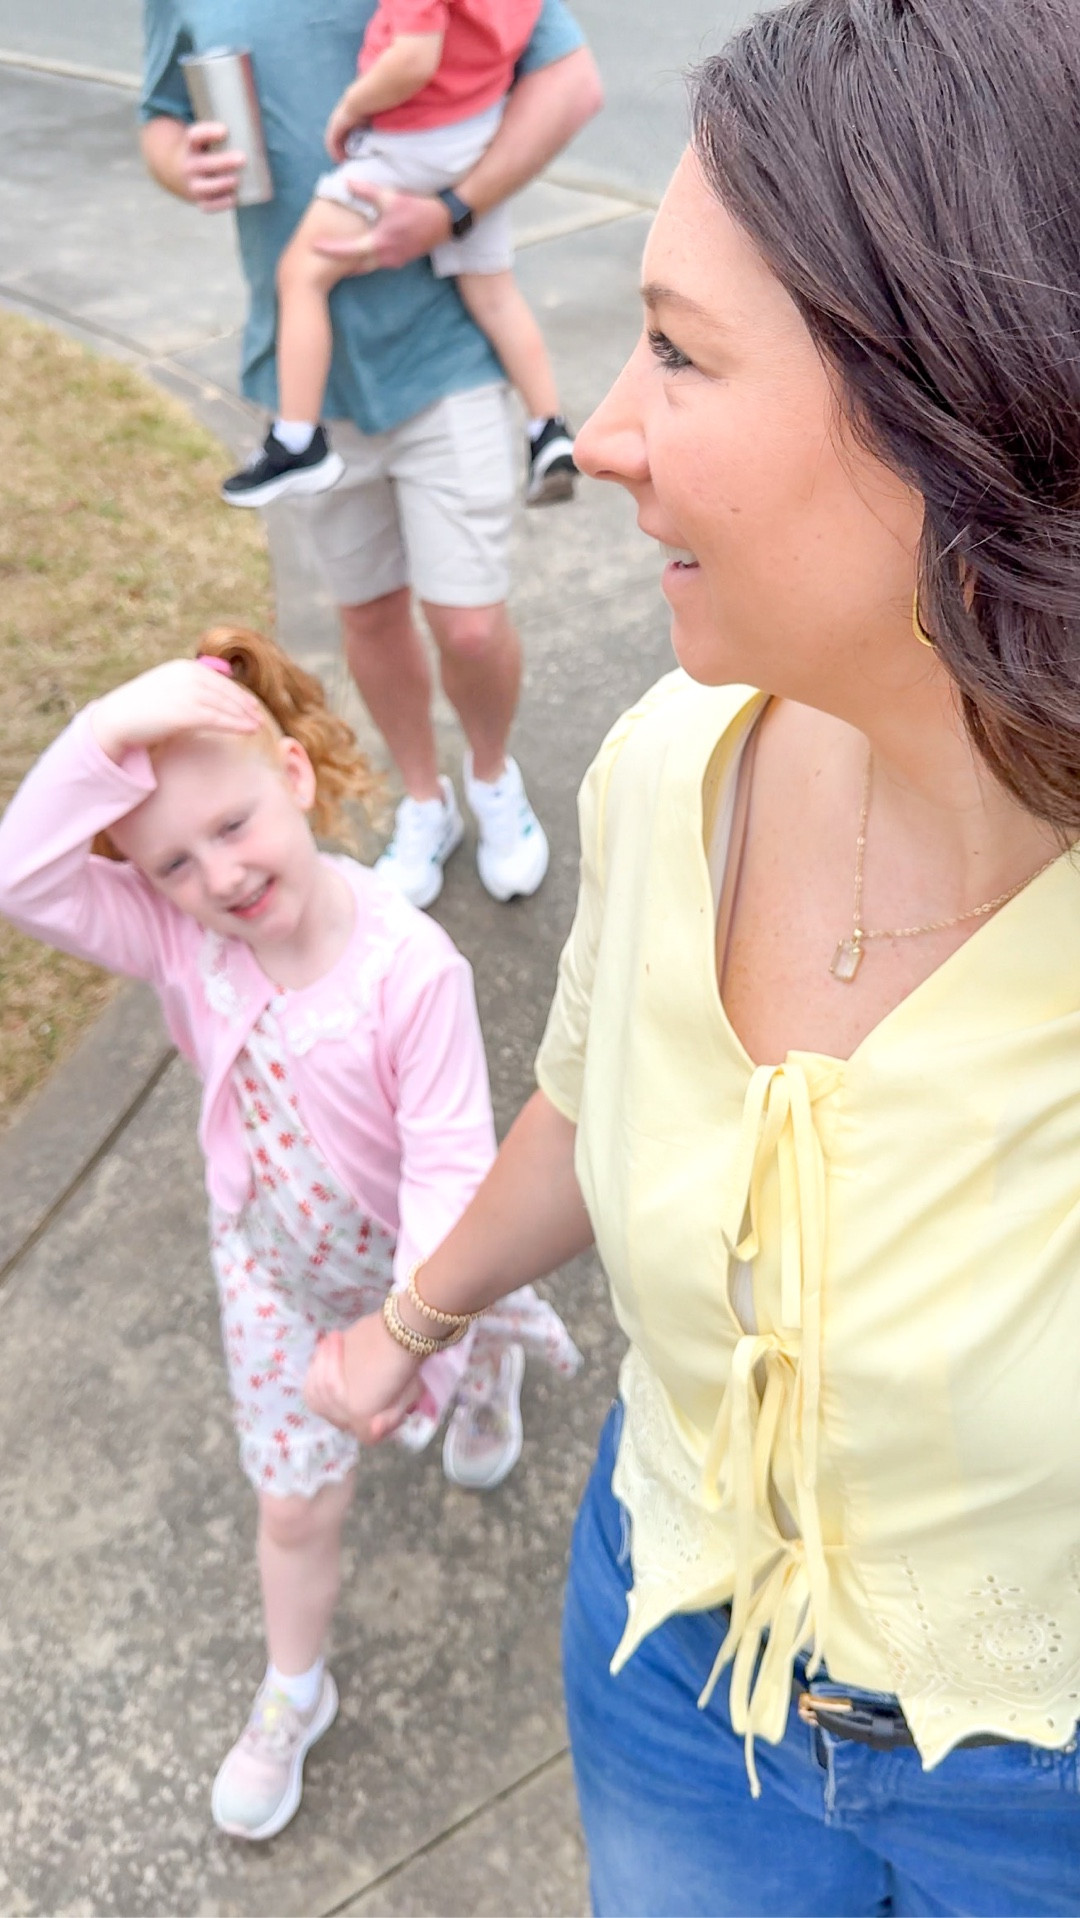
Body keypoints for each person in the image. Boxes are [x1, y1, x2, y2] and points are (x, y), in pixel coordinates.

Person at [303, 0, 1080, 1909]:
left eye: (679, 347)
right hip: (674, 1677)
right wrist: (409, 1315)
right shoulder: (669, 764)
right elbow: (598, 1095)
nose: (611, 432)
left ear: (962, 421)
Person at [0, 631, 581, 1842]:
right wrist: (102, 735)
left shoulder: (409, 969)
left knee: (463, 1328)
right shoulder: (181, 941)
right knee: (294, 1504)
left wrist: (407, 1339)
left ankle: (488, 1371)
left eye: (232, 824)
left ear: (296, 776)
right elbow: (22, 877)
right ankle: (293, 1688)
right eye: (168, 862)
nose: (215, 875)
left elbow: (451, 1173)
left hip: (409, 1270)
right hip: (269, 1272)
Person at [140, 3, 601, 912]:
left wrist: (448, 213)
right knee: (370, 616)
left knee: (467, 622)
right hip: (307, 380)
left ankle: (493, 776)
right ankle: (422, 801)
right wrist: (178, 161)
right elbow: (160, 115)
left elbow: (572, 84)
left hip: (448, 349)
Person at [221, 0, 577, 512]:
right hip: (478, 137)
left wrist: (352, 106)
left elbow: (413, 59)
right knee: (495, 293)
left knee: (301, 274)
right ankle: (549, 428)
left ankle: (297, 440)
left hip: (412, 142)